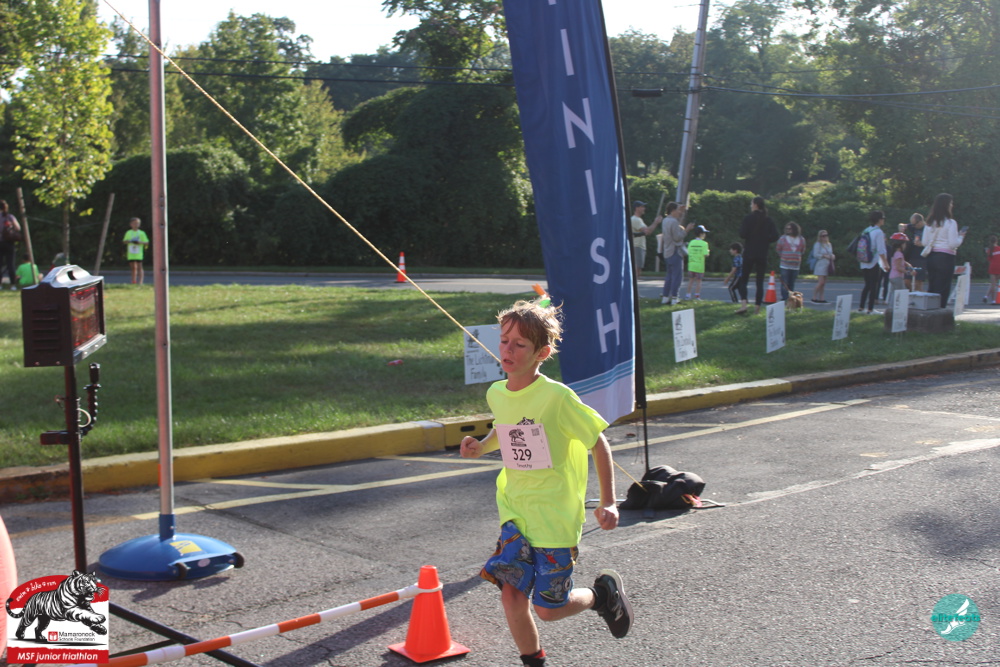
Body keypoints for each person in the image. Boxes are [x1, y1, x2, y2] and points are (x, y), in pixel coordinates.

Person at [460, 299, 632, 667]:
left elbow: (597, 442)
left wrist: (609, 500)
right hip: (516, 512)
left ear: (542, 353)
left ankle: (601, 596)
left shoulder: (557, 398)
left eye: (519, 344)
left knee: (549, 609)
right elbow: (505, 428)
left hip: (554, 519)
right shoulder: (497, 393)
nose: (508, 350)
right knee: (511, 596)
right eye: (504, 340)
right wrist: (481, 446)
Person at [736, 196, 779, 314]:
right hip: (762, 253)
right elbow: (775, 236)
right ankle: (757, 308)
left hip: (749, 251)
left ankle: (744, 304)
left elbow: (742, 234)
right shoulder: (768, 220)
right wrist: (765, 240)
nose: (751, 206)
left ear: (755, 205)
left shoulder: (748, 218)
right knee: (759, 282)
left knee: (744, 280)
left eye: (751, 204)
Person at [923, 193, 966, 309]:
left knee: (932, 285)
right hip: (946, 257)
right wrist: (961, 237)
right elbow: (952, 244)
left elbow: (924, 242)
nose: (952, 205)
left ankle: (930, 310)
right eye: (951, 203)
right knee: (943, 287)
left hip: (931, 256)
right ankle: (940, 311)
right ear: (946, 205)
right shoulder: (950, 223)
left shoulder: (929, 223)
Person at [656, 202, 693, 305]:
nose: (680, 212)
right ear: (672, 210)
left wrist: (681, 209)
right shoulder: (674, 222)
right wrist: (687, 230)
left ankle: (665, 297)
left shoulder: (665, 220)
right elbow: (677, 237)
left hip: (667, 251)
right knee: (677, 276)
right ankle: (674, 298)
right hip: (675, 251)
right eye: (678, 210)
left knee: (669, 276)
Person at [857, 211, 889, 314]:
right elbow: (881, 250)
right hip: (873, 261)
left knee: (867, 285)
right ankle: (870, 309)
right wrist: (885, 263)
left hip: (863, 260)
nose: (883, 220)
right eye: (883, 218)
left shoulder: (866, 230)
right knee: (874, 285)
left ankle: (861, 307)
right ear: (879, 220)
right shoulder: (879, 232)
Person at [629, 200, 660, 278]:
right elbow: (647, 231)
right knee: (636, 270)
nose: (644, 208)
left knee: (638, 270)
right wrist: (655, 222)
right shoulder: (635, 219)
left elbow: (647, 231)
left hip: (639, 247)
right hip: (637, 246)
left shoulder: (639, 219)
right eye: (642, 207)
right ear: (637, 208)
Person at [775, 221, 805, 301]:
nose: (788, 230)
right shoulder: (783, 238)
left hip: (795, 265)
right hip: (785, 264)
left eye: (790, 229)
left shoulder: (801, 239)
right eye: (787, 229)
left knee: (792, 283)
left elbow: (802, 250)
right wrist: (784, 256)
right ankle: (784, 298)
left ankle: (790, 298)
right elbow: (778, 249)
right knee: (785, 282)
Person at [0, 200, 22, 290]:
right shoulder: (10, 217)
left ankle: (0, 285)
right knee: (11, 264)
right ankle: (13, 285)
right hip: (10, 243)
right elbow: (18, 228)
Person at [685, 225, 710, 301]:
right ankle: (697, 296)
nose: (705, 235)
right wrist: (708, 252)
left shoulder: (691, 242)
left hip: (691, 265)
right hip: (699, 266)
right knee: (699, 281)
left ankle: (688, 295)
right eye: (704, 233)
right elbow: (706, 254)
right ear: (701, 234)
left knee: (690, 280)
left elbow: (688, 252)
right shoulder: (704, 244)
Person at [123, 217, 150, 285]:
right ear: (131, 224)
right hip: (131, 253)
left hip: (138, 253)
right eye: (134, 223)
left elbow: (146, 242)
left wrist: (139, 242)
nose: (136, 225)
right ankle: (133, 281)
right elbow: (124, 241)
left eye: (137, 223)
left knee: (139, 267)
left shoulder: (142, 233)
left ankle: (140, 282)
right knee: (133, 268)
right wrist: (130, 241)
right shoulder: (128, 232)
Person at [904, 213, 927, 291]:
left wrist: (922, 244)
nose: (913, 226)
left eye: (914, 225)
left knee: (918, 282)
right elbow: (903, 225)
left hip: (922, 258)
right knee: (906, 281)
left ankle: (918, 295)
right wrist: (902, 227)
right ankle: (911, 294)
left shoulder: (928, 229)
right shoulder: (913, 226)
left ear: (920, 222)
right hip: (911, 257)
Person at [810, 230, 835, 303]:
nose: (824, 237)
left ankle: (822, 298)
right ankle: (814, 297)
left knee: (824, 283)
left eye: (826, 235)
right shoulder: (818, 244)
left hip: (827, 264)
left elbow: (830, 253)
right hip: (820, 264)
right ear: (820, 237)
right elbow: (815, 255)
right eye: (823, 236)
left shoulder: (829, 244)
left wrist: (832, 256)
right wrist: (824, 256)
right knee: (821, 282)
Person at [887, 232, 912, 301]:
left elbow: (900, 262)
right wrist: (908, 272)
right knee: (902, 293)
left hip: (892, 276)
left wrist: (907, 264)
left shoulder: (895, 253)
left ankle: (891, 306)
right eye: (905, 243)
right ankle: (900, 307)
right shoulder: (899, 254)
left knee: (894, 294)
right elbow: (898, 267)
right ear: (901, 244)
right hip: (897, 277)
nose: (905, 245)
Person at [985, 235, 1000, 304]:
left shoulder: (989, 250)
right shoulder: (999, 248)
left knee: (993, 284)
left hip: (992, 267)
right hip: (999, 267)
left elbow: (989, 259)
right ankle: (987, 296)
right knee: (995, 283)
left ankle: (992, 299)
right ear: (996, 241)